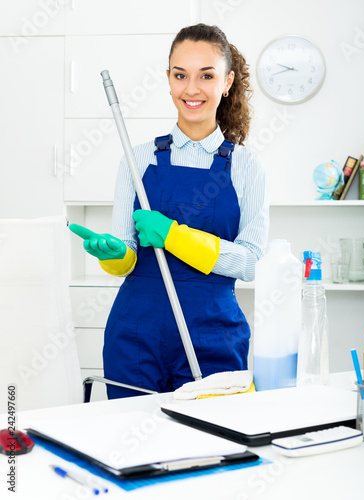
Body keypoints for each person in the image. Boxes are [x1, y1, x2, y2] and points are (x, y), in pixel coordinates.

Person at [70, 23, 269, 399]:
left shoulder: (246, 165)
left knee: (206, 450)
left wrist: (175, 237)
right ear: (168, 79)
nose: (191, 89)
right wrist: (115, 255)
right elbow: (127, 257)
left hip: (212, 338)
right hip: (135, 336)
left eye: (205, 75)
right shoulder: (138, 157)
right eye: (181, 75)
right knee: (132, 449)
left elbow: (253, 262)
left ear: (226, 82)